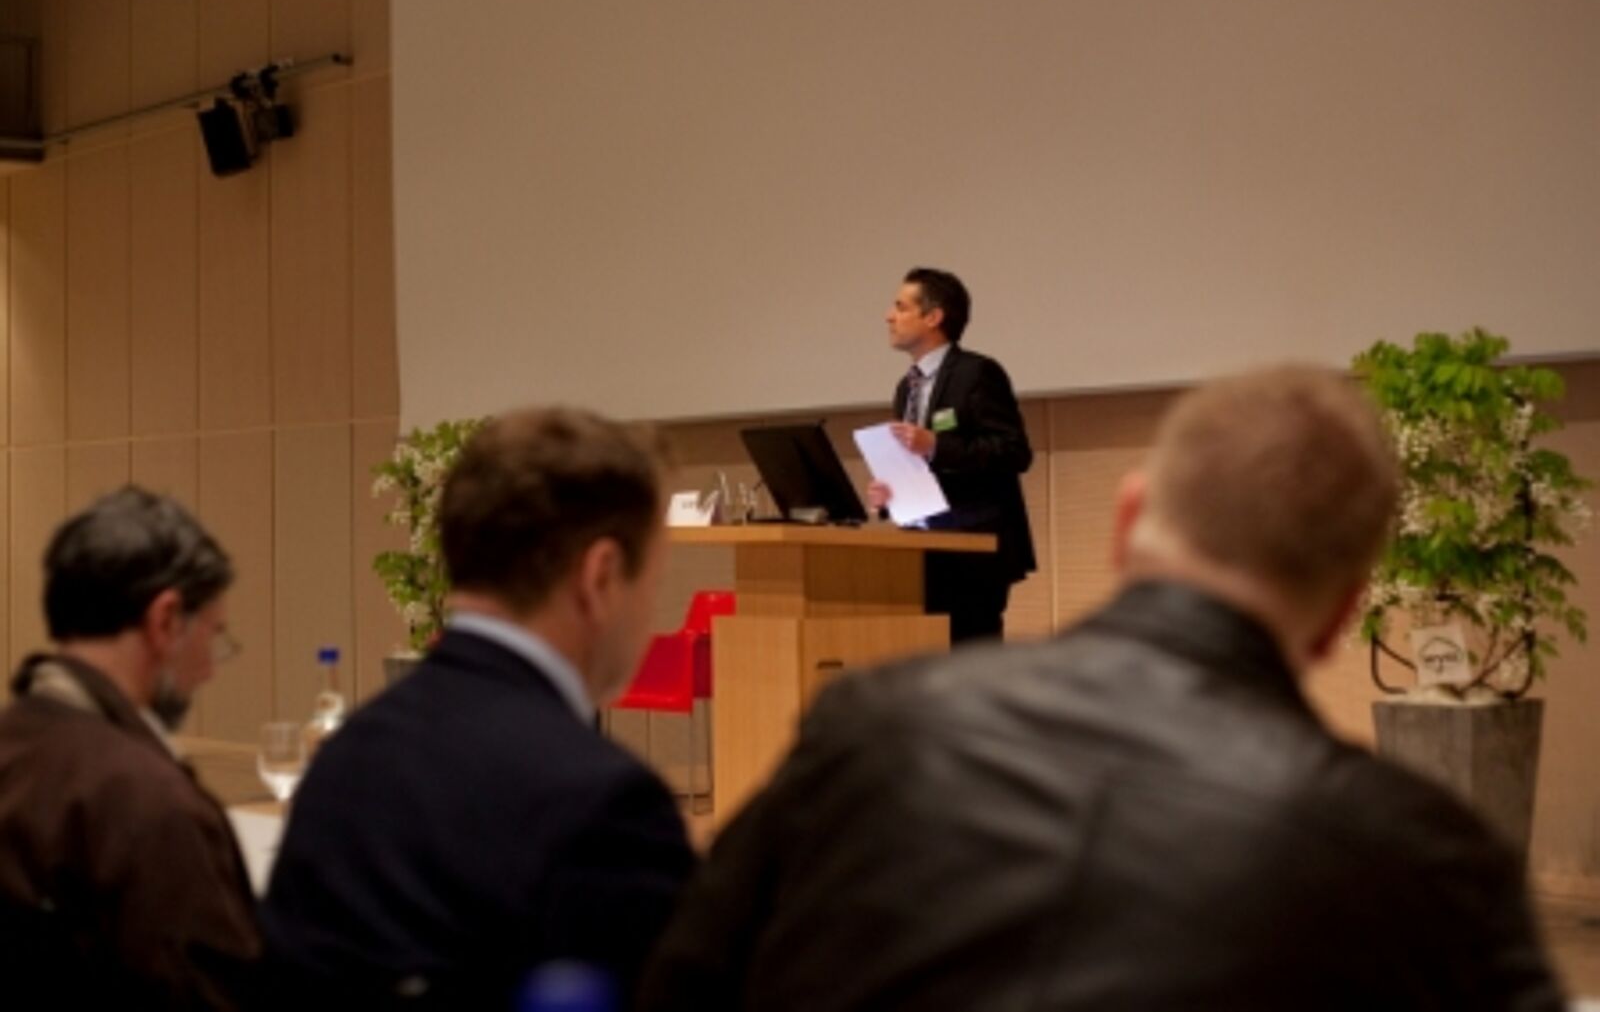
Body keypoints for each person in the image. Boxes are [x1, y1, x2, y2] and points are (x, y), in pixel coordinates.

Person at [637, 366, 1565, 1012]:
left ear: (1126, 523)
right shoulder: (1423, 855)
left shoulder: (874, 724)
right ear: (1342, 613)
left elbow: (682, 982)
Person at [261, 407, 696, 1009]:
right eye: (655, 584)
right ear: (600, 578)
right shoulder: (606, 805)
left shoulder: (343, 762)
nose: (652, 613)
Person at [0, 486, 259, 1009]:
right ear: (165, 621)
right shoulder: (151, 805)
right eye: (213, 635)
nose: (210, 669)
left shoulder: (15, 744)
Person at [868, 267, 1035, 643]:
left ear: (933, 317)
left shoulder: (977, 373)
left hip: (974, 547)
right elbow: (921, 467)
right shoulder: (906, 387)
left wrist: (936, 445)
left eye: (901, 307)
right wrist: (891, 493)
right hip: (923, 548)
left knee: (969, 658)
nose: (888, 316)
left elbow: (1014, 452)